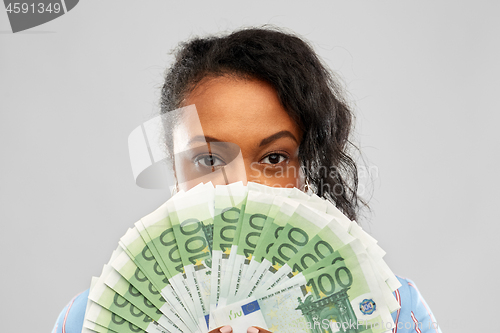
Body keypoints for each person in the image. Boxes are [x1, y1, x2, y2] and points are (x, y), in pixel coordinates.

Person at [53, 27, 442, 333]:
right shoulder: (89, 318)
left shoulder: (391, 308)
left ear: (307, 171)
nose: (239, 189)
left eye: (273, 158)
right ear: (174, 171)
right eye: (207, 159)